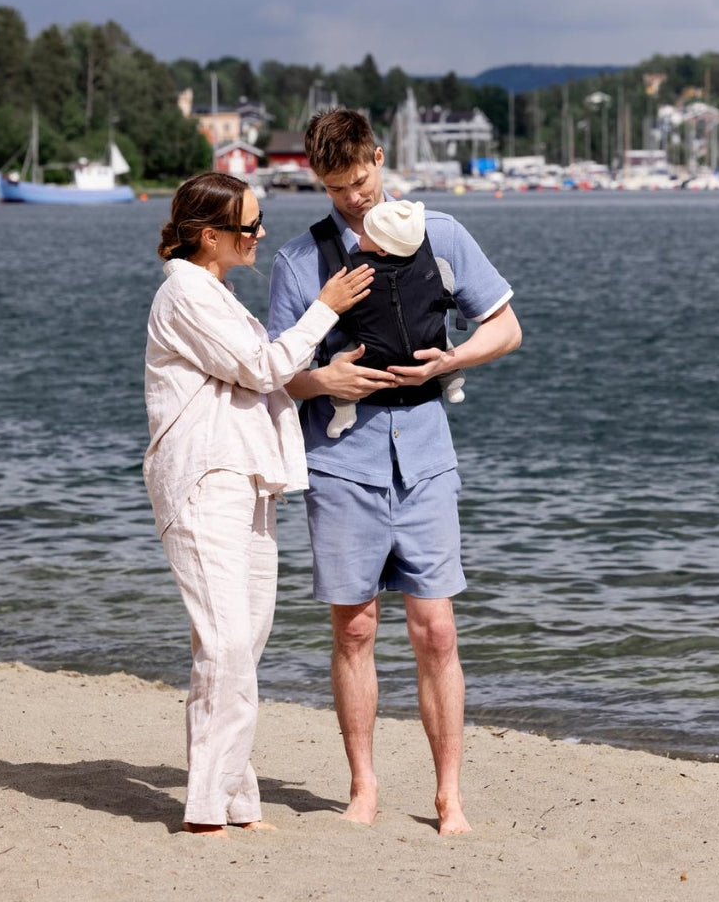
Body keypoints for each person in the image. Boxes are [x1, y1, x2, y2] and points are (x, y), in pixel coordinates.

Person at [267, 109, 521, 835]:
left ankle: (449, 797)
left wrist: (455, 359)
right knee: (354, 628)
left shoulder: (442, 235)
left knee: (436, 630)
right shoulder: (298, 263)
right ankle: (364, 788)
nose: (355, 197)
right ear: (318, 177)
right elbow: (275, 376)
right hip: (342, 461)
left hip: (427, 454)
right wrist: (324, 384)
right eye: (338, 186)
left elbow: (506, 326)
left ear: (380, 157)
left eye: (363, 178)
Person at [143, 171, 374, 839]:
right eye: (249, 226)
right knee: (225, 644)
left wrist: (324, 378)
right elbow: (263, 367)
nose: (260, 234)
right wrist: (326, 308)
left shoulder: (210, 293)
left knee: (243, 643)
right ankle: (209, 809)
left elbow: (261, 376)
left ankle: (234, 801)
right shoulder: (185, 295)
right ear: (210, 235)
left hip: (246, 478)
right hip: (205, 478)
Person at [323, 197, 465, 438]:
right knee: (442, 344)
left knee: (340, 359)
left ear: (382, 249)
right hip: (424, 341)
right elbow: (446, 283)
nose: (359, 239)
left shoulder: (355, 270)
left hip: (371, 349)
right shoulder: (431, 264)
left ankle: (344, 410)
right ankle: (453, 383)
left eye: (366, 235)